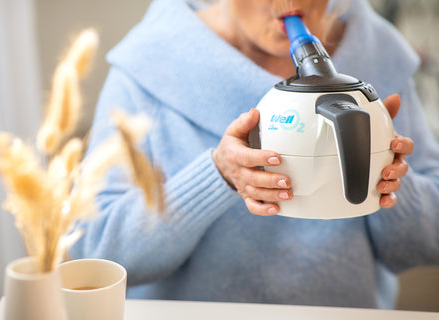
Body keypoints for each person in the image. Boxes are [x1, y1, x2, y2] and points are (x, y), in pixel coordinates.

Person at [70, 0, 439, 309]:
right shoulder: (148, 66)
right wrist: (218, 174)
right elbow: (97, 253)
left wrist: (382, 177)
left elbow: (428, 241)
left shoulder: (380, 58)